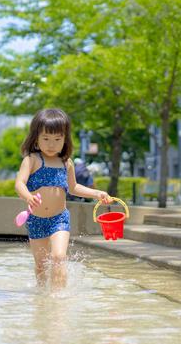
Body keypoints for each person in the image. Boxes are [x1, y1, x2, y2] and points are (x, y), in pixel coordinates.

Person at [14, 108, 112, 289]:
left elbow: (73, 187)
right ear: (36, 138)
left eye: (57, 139)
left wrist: (96, 194)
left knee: (59, 257)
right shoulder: (32, 159)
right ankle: (42, 294)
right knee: (41, 264)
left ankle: (58, 297)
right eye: (46, 139)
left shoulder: (66, 163)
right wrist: (28, 196)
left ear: (65, 139)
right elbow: (19, 183)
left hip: (59, 218)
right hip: (36, 220)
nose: (51, 144)